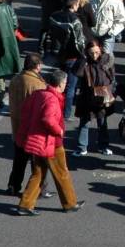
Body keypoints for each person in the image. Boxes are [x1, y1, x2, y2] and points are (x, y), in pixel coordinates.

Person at [15, 69, 82, 216]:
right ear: (60, 83)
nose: (66, 85)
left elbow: (26, 111)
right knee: (61, 172)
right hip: (51, 143)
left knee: (38, 174)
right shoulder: (52, 98)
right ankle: (70, 203)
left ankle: (25, 205)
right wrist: (59, 131)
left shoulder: (39, 94)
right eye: (65, 82)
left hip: (37, 142)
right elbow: (48, 119)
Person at [6, 53, 47, 195]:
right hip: (32, 128)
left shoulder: (15, 79)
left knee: (19, 160)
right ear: (37, 66)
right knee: (38, 163)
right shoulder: (38, 84)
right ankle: (38, 190)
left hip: (17, 125)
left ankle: (13, 185)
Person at [72, 39, 115, 156]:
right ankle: (82, 148)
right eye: (91, 53)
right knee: (84, 122)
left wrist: (110, 90)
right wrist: (83, 60)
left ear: (100, 49)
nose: (94, 55)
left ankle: (103, 146)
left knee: (102, 123)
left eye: (96, 52)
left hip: (102, 96)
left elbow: (112, 77)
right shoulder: (84, 60)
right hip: (87, 96)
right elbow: (77, 73)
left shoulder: (106, 59)